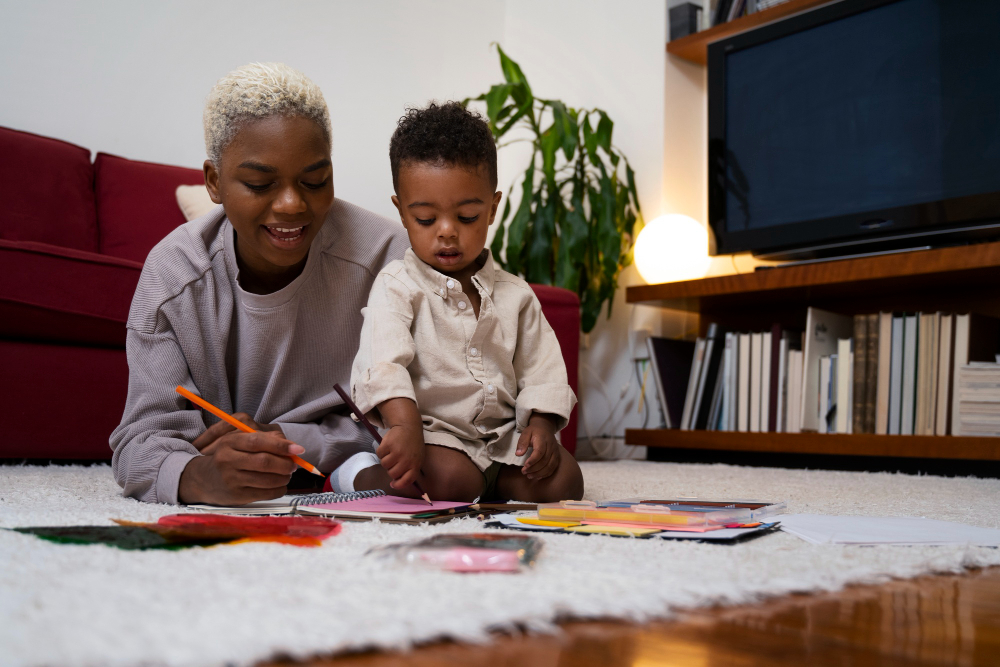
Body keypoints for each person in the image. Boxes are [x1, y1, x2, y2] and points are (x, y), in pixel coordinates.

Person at [110, 63, 408, 505]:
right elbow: (138, 442)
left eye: (315, 181)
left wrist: (294, 441)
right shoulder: (173, 275)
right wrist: (198, 475)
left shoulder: (389, 258)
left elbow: (430, 423)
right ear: (214, 182)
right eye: (259, 183)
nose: (292, 204)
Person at [347, 102, 584, 503]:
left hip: (503, 441)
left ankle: (497, 486)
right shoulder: (397, 286)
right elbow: (383, 363)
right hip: (431, 438)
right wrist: (404, 429)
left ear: (492, 207)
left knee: (566, 480)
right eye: (425, 219)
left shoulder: (517, 295)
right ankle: (357, 475)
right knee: (453, 482)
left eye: (468, 216)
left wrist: (542, 427)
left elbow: (542, 372)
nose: (446, 233)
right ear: (402, 213)